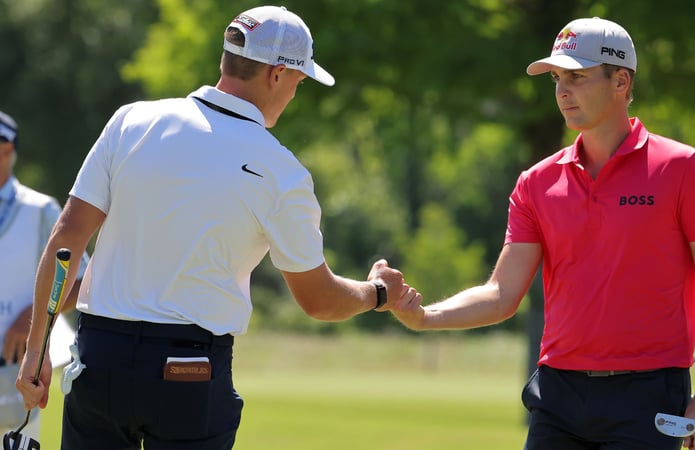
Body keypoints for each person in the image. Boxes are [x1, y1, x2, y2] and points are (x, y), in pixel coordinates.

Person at [16, 6, 418, 450]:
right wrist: (377, 292)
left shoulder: (131, 121)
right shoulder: (282, 172)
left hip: (98, 363)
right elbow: (320, 301)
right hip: (190, 373)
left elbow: (67, 240)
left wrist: (37, 348)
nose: (294, 94)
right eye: (299, 82)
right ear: (277, 75)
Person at [390, 17, 695, 450]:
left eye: (577, 76)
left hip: (648, 397)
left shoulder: (683, 169)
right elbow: (501, 293)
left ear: (621, 81)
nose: (562, 91)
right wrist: (425, 317)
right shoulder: (535, 183)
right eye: (557, 78)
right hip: (557, 397)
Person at [0, 110, 90, 439]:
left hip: (14, 375)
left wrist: (31, 319)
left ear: (7, 149)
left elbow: (81, 282)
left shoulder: (40, 210)